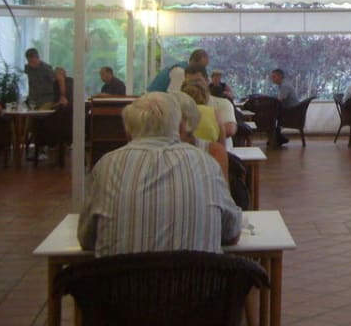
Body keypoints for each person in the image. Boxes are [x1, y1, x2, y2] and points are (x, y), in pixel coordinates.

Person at [77, 92, 241, 257]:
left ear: (127, 132)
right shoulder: (207, 163)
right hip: (196, 273)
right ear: (180, 127)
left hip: (120, 273)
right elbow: (232, 234)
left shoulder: (106, 165)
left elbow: (86, 238)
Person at [185, 65, 236, 142]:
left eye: (198, 81)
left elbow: (230, 130)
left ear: (207, 81)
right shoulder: (180, 104)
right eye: (189, 82)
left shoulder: (223, 103)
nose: (194, 85)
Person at [180, 80, 225, 145]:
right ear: (206, 96)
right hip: (210, 150)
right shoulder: (214, 113)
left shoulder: (180, 112)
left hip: (185, 150)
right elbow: (222, 144)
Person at [268, 68, 298, 146]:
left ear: (279, 76)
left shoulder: (284, 86)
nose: (272, 79)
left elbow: (280, 100)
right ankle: (276, 137)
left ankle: (277, 137)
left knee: (270, 115)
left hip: (291, 111)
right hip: (288, 109)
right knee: (272, 115)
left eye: (274, 77)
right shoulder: (282, 85)